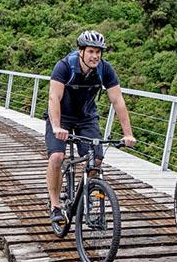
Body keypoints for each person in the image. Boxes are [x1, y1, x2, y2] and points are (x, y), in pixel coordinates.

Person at [45, 30, 137, 226]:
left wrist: (128, 134)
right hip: (62, 117)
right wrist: (56, 127)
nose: (95, 56)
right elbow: (54, 98)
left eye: (99, 52)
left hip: (87, 118)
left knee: (96, 160)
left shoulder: (105, 70)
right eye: (91, 51)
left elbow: (118, 100)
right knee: (57, 157)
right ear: (81, 51)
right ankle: (54, 206)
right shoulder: (63, 67)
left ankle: (84, 192)